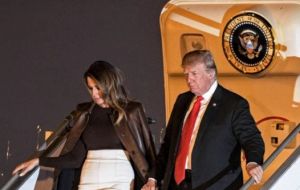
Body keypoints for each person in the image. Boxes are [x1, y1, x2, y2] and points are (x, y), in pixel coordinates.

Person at [13, 60, 156, 190]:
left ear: (109, 84)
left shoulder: (132, 111)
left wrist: (152, 180)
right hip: (89, 178)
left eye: (98, 88)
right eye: (91, 88)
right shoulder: (84, 112)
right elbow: (75, 159)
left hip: (120, 178)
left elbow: (149, 150)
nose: (94, 94)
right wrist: (38, 161)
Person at [143, 50, 265, 190]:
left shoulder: (233, 104)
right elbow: (169, 144)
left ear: (210, 74)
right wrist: (153, 178)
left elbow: (251, 139)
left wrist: (253, 162)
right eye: (186, 74)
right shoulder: (183, 100)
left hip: (214, 184)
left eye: (194, 74)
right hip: (177, 184)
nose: (189, 80)